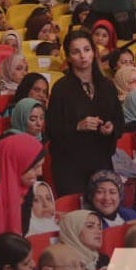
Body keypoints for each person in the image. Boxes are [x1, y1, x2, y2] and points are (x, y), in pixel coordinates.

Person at [46, 30, 123, 196]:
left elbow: (119, 120)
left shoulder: (107, 86)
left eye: (87, 50)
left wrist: (111, 128)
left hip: (101, 159)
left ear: (94, 52)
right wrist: (78, 126)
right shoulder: (61, 89)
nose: (82, 56)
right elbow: (51, 129)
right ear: (68, 57)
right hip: (70, 165)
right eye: (76, 52)